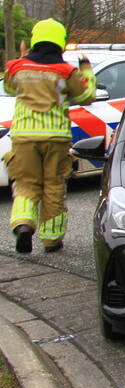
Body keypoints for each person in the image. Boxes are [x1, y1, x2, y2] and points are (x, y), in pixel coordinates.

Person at [2, 19, 95, 253]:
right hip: (56, 138)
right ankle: (52, 240)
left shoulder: (17, 67)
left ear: (34, 40)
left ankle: (23, 224)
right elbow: (86, 96)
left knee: (25, 184)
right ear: (60, 42)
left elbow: (10, 88)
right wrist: (87, 71)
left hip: (24, 137)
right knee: (54, 186)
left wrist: (23, 57)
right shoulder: (66, 71)